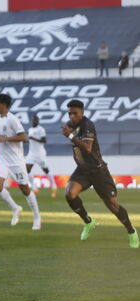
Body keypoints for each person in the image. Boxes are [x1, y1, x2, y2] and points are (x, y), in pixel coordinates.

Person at [61, 100, 137, 248]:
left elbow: (88, 148)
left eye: (74, 113)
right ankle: (89, 222)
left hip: (98, 170)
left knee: (113, 205)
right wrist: (69, 134)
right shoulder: (69, 126)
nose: (71, 116)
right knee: (69, 194)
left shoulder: (87, 125)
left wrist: (70, 136)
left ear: (82, 112)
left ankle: (131, 231)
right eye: (69, 113)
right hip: (83, 170)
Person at [0, 93, 41, 229]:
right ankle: (15, 208)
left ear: (3, 105)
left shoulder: (13, 119)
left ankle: (37, 217)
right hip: (2, 160)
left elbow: (24, 137)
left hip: (16, 162)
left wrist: (6, 139)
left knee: (25, 189)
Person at [25, 115, 56, 198]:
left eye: (36, 120)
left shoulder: (41, 129)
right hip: (31, 153)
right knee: (26, 169)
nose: (35, 121)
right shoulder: (30, 129)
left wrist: (32, 138)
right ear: (32, 121)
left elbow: (44, 140)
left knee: (46, 170)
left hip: (40, 153)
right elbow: (30, 140)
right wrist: (26, 140)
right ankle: (35, 188)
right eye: (33, 120)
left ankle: (54, 186)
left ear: (38, 121)